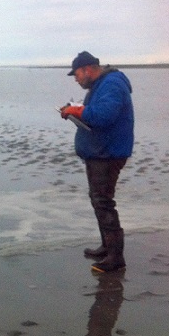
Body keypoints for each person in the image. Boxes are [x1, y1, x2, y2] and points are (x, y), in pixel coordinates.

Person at [61, 51, 134, 272]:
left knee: (103, 201)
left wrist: (78, 110)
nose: (76, 79)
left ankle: (115, 257)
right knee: (98, 199)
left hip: (108, 153)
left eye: (77, 74)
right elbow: (96, 115)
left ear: (88, 69)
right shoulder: (101, 84)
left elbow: (103, 116)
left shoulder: (111, 84)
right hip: (100, 151)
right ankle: (107, 246)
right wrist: (77, 112)